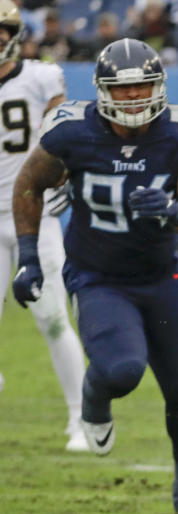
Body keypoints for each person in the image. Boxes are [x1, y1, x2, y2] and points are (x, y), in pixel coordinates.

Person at [11, 38, 178, 514]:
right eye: (122, 91)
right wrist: (28, 255)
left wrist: (172, 210)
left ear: (160, 85)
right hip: (98, 275)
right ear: (102, 92)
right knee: (122, 369)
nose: (133, 98)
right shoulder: (71, 133)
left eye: (143, 87)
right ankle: (93, 396)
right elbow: (29, 183)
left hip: (161, 275)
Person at [0, 0, 88, 452]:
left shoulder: (41, 77)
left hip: (35, 213)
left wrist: (63, 172)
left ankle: (82, 419)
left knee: (53, 319)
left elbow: (64, 132)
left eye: (1, 29)